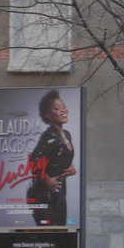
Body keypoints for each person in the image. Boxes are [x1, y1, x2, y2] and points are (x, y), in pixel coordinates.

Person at [28, 90, 76, 226]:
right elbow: (33, 162)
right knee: (49, 235)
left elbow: (59, 159)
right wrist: (47, 180)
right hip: (43, 196)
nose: (63, 110)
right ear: (48, 115)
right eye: (57, 108)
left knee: (60, 233)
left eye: (63, 107)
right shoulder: (49, 137)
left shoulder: (66, 134)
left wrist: (71, 169)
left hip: (59, 193)